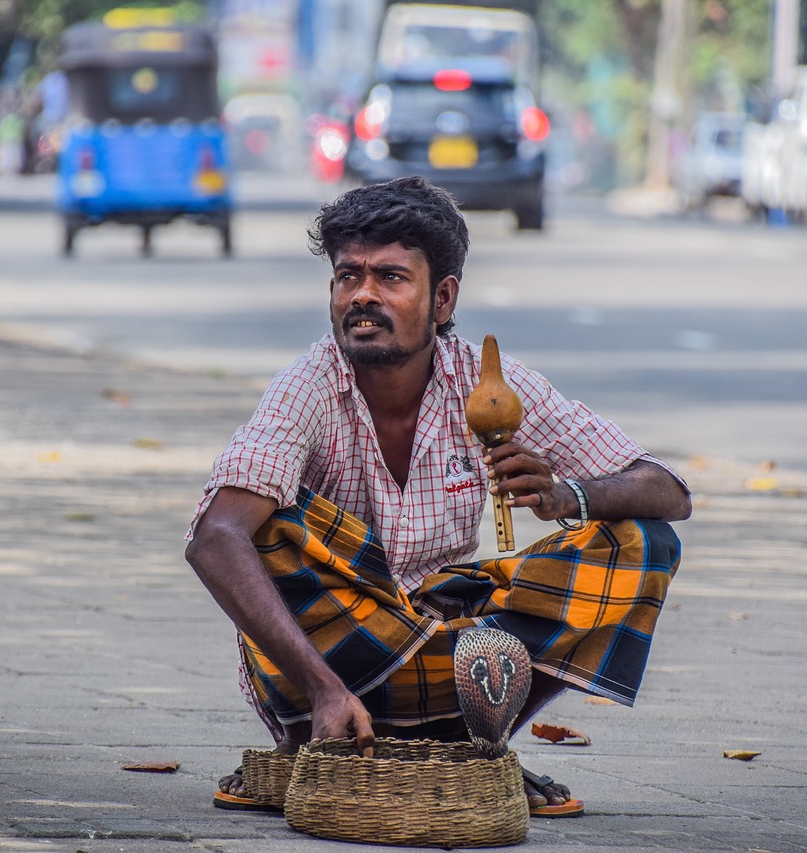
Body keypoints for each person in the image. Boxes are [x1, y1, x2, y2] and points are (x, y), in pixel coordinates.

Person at [185, 176, 691, 816]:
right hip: (338, 651)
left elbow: (668, 490)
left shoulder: (485, 388)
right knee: (266, 528)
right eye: (348, 277)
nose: (363, 296)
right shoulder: (307, 385)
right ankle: (315, 736)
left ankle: (475, 748)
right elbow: (214, 538)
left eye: (391, 278)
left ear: (443, 299)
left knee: (640, 539)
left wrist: (568, 496)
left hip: (448, 635)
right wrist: (322, 691)